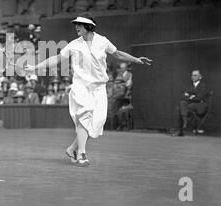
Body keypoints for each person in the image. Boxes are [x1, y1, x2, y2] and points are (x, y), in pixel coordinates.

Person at [25, 13, 152, 166]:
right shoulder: (73, 44)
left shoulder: (102, 41)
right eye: (76, 24)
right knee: (84, 115)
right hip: (81, 86)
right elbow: (57, 59)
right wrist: (35, 67)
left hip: (99, 88)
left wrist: (136, 60)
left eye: (80, 24)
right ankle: (81, 154)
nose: (76, 27)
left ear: (89, 26)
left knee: (96, 122)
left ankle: (72, 148)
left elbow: (117, 53)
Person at [174, 70, 209, 136]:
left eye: (195, 75)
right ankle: (184, 123)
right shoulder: (189, 86)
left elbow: (199, 98)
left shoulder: (203, 86)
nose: (193, 77)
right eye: (192, 75)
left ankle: (181, 129)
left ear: (200, 77)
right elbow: (182, 96)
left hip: (201, 106)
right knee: (181, 104)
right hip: (190, 106)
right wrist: (192, 96)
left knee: (181, 107)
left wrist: (189, 96)